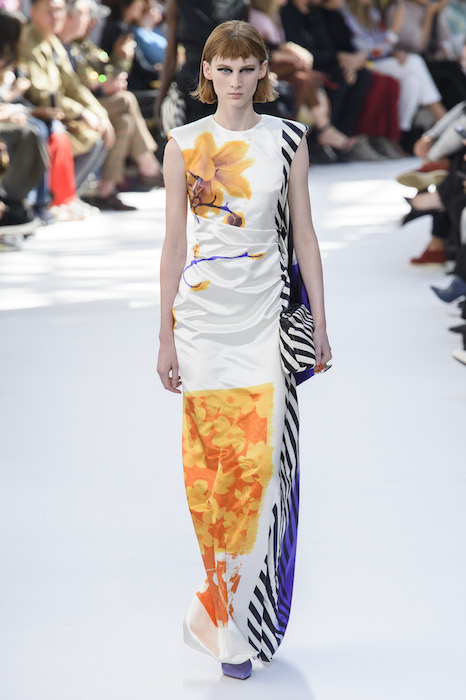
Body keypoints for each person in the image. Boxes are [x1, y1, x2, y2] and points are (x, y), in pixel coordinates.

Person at [157, 20, 331, 679]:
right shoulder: (183, 144)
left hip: (264, 320)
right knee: (211, 476)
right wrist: (165, 334)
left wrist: (320, 324)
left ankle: (241, 614)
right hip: (203, 325)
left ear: (263, 72)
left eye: (246, 68)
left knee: (259, 471)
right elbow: (174, 245)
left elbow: (305, 237)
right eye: (223, 69)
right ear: (207, 72)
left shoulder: (288, 140)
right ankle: (225, 619)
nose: (234, 80)